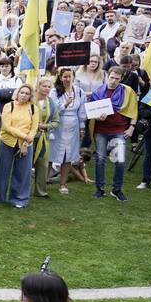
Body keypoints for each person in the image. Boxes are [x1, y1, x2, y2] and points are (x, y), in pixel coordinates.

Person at [0, 84, 38, 209]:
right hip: (7, 141)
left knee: (23, 172)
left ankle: (19, 199)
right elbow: (6, 127)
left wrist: (26, 141)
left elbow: (34, 127)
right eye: (22, 92)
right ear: (17, 93)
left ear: (30, 96)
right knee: (2, 170)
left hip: (26, 144)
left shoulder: (33, 108)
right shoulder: (8, 106)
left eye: (27, 94)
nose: (24, 95)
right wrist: (24, 136)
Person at [87, 66, 132, 201]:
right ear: (108, 76)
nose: (113, 81)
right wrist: (96, 117)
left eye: (117, 79)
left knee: (120, 161)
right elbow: (90, 111)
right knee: (100, 159)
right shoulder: (98, 92)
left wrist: (132, 127)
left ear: (121, 79)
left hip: (118, 129)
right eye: (111, 77)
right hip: (101, 130)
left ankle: (116, 189)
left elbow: (133, 109)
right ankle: (100, 189)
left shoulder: (126, 92)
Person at [52, 67, 86, 196]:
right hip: (58, 125)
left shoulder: (80, 92)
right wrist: (65, 104)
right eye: (64, 77)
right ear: (60, 78)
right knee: (53, 154)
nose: (67, 79)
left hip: (73, 125)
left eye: (69, 76)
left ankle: (63, 183)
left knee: (68, 155)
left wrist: (82, 127)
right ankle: (43, 182)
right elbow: (54, 110)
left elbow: (81, 110)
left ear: (73, 77)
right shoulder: (55, 92)